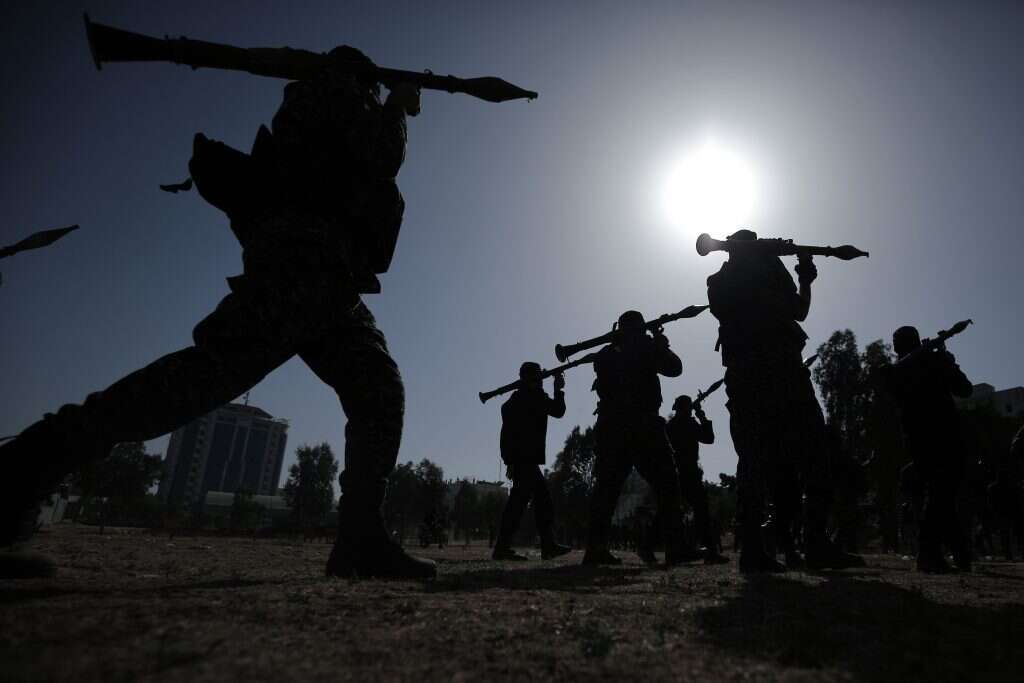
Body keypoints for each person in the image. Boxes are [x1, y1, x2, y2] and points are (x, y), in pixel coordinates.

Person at [0, 47, 436, 579]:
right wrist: (398, 106)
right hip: (301, 267)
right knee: (199, 380)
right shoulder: (337, 98)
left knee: (377, 388)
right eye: (373, 83)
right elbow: (379, 157)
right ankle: (20, 472)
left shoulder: (323, 99)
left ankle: (360, 538)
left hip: (327, 276)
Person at [706, 229, 861, 572]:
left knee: (754, 460)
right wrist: (805, 278)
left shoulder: (717, 280)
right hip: (782, 371)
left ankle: (755, 551)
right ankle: (815, 542)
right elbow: (799, 311)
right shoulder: (767, 270)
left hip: (745, 376)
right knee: (814, 455)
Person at [583, 310, 688, 566]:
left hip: (612, 427)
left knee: (606, 489)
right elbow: (675, 369)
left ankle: (595, 549)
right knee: (668, 485)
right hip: (643, 426)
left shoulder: (607, 353)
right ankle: (674, 548)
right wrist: (661, 345)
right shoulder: (643, 346)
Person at [881, 326, 973, 572]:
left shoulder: (896, 372)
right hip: (945, 436)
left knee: (941, 494)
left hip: (916, 440)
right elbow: (964, 389)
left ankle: (960, 555)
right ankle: (929, 553)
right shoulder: (931, 360)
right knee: (942, 494)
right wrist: (946, 357)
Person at [492, 362, 572, 561]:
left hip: (520, 459)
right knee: (523, 503)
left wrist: (509, 460)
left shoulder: (516, 399)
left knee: (531, 501)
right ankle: (507, 548)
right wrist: (558, 389)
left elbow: (507, 420)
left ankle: (545, 545)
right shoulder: (533, 397)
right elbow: (558, 410)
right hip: (525, 459)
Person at [666, 395, 728, 564]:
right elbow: (709, 438)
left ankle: (671, 550)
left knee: (673, 511)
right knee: (701, 510)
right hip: (689, 472)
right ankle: (710, 551)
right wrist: (701, 415)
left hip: (676, 472)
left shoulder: (671, 425)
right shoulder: (688, 423)